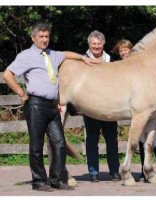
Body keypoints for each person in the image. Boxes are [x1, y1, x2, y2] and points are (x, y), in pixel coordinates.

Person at [2, 22, 96, 191]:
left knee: (59, 144)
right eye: (41, 37)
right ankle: (38, 181)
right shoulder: (26, 56)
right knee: (36, 146)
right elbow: (8, 74)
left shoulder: (52, 54)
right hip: (36, 105)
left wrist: (82, 57)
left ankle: (57, 180)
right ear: (33, 38)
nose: (44, 40)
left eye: (47, 36)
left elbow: (66, 54)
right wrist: (21, 93)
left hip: (53, 107)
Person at [113, 39, 156, 181]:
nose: (124, 52)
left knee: (153, 139)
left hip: (147, 105)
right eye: (121, 51)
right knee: (140, 138)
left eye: (126, 49)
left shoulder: (140, 63)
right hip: (137, 107)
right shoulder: (120, 66)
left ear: (131, 49)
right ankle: (145, 169)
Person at [83, 30, 120, 182]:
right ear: (89, 44)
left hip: (110, 106)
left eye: (99, 44)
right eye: (94, 44)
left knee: (112, 139)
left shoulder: (112, 59)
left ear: (103, 44)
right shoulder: (82, 60)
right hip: (90, 106)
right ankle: (93, 172)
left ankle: (114, 171)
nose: (96, 46)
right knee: (92, 139)